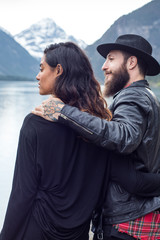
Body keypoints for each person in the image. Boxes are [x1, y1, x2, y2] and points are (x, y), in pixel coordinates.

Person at [32, 34, 160, 240]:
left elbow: (123, 137)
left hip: (127, 221)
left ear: (132, 62)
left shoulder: (133, 96)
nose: (103, 67)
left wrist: (64, 111)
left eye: (110, 58)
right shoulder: (148, 97)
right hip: (137, 215)